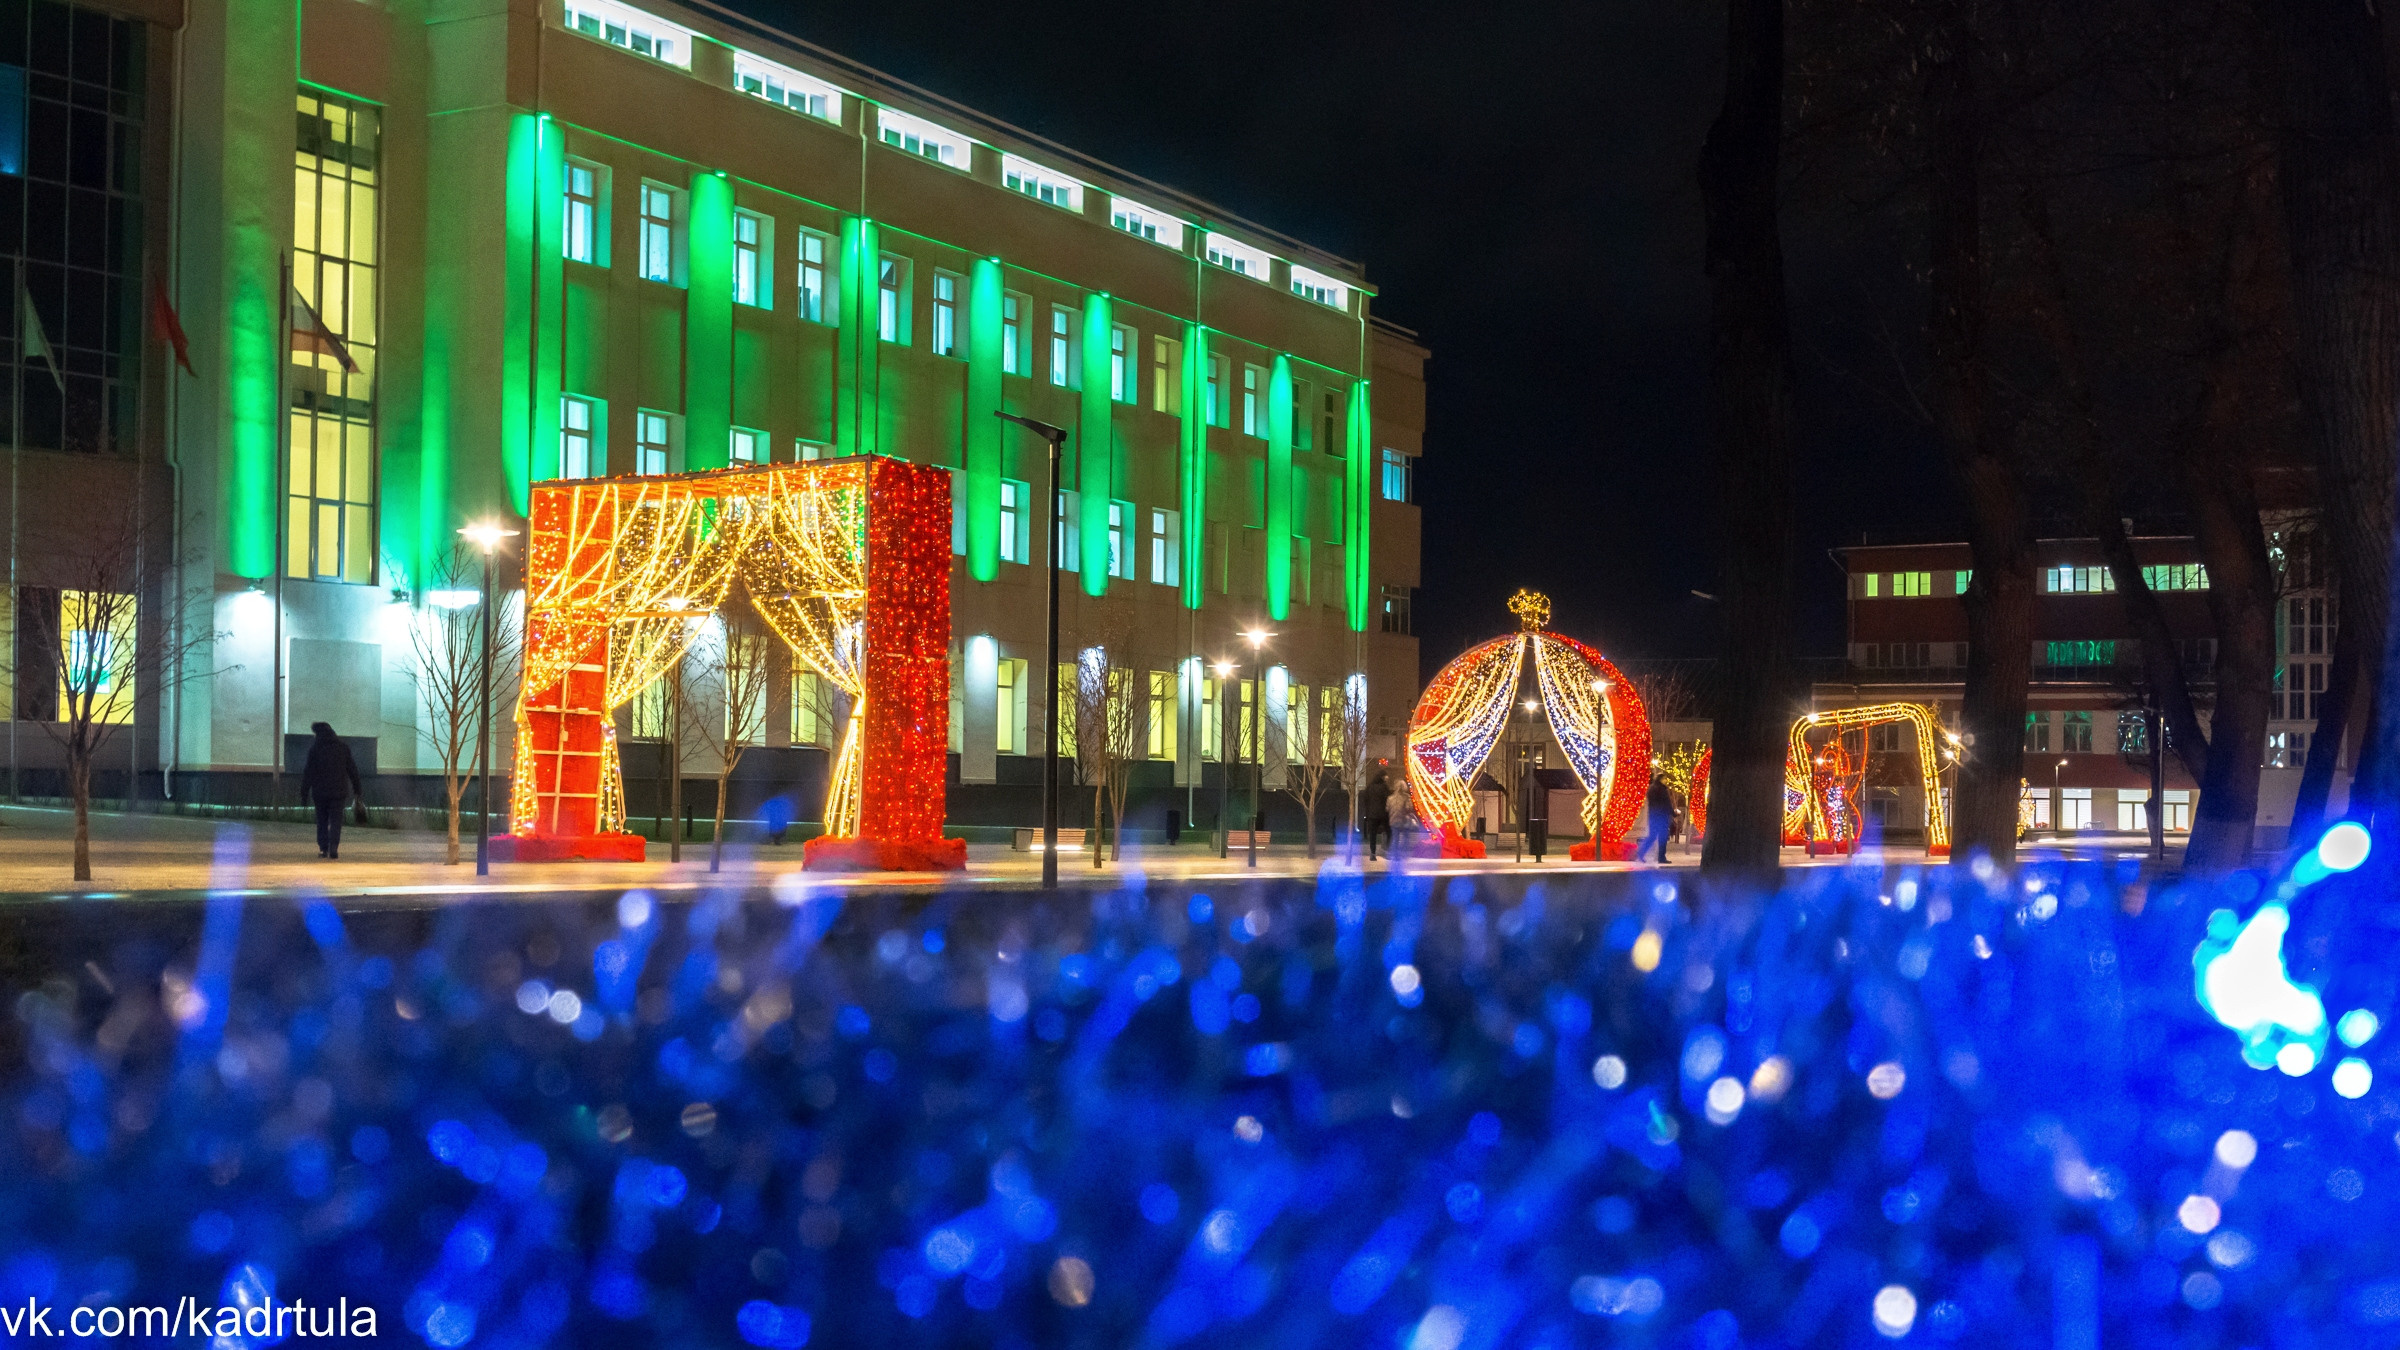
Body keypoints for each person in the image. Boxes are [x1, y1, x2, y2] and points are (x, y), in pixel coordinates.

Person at [301, 721, 364, 860]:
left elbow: (308, 773)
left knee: (322, 820)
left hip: (320, 792)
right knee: (336, 820)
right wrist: (357, 789)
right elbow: (352, 770)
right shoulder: (343, 748)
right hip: (339, 792)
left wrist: (304, 793)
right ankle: (334, 847)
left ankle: (324, 849)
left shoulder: (315, 749)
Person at [1640, 775, 1677, 863]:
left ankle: (1641, 853)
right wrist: (1673, 813)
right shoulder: (1662, 790)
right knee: (1662, 838)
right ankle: (1661, 857)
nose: (1666, 781)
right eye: (1665, 779)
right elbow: (1666, 803)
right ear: (1660, 779)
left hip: (1653, 816)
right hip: (1662, 817)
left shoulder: (1651, 788)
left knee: (1652, 836)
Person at [1360, 764, 1393, 861]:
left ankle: (1373, 853)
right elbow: (1388, 799)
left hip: (1372, 814)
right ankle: (1388, 852)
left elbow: (1365, 800)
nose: (1387, 777)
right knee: (1389, 832)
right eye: (1385, 776)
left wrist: (1367, 812)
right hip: (1383, 814)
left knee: (1373, 834)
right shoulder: (1384, 787)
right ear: (1382, 777)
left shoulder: (1370, 787)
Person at [1387, 773, 1414, 857]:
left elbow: (1387, 809)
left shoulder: (1390, 798)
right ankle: (1403, 853)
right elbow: (1409, 808)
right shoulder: (1406, 797)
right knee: (1406, 837)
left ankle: (1393, 855)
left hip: (1393, 820)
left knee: (1395, 838)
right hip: (1403, 821)